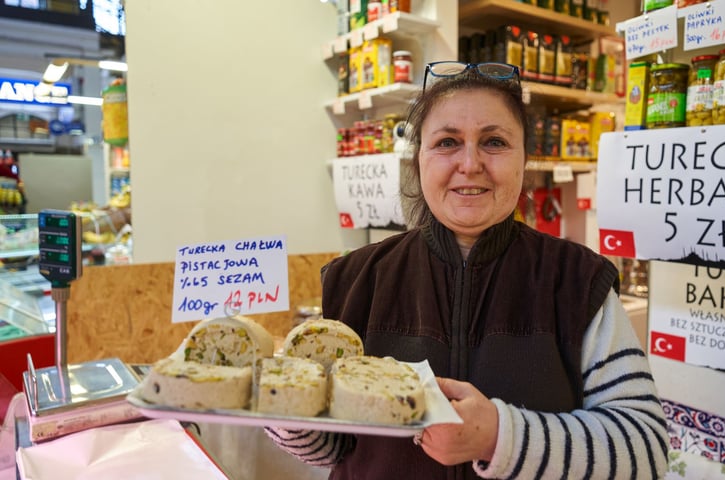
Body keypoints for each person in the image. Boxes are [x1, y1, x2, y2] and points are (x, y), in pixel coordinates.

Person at [266, 61, 669, 479]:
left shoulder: (578, 281)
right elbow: (332, 447)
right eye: (447, 142)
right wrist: (287, 410)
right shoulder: (356, 278)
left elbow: (646, 450)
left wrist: (500, 437)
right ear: (419, 158)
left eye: (494, 141)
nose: (470, 163)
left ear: (524, 159)